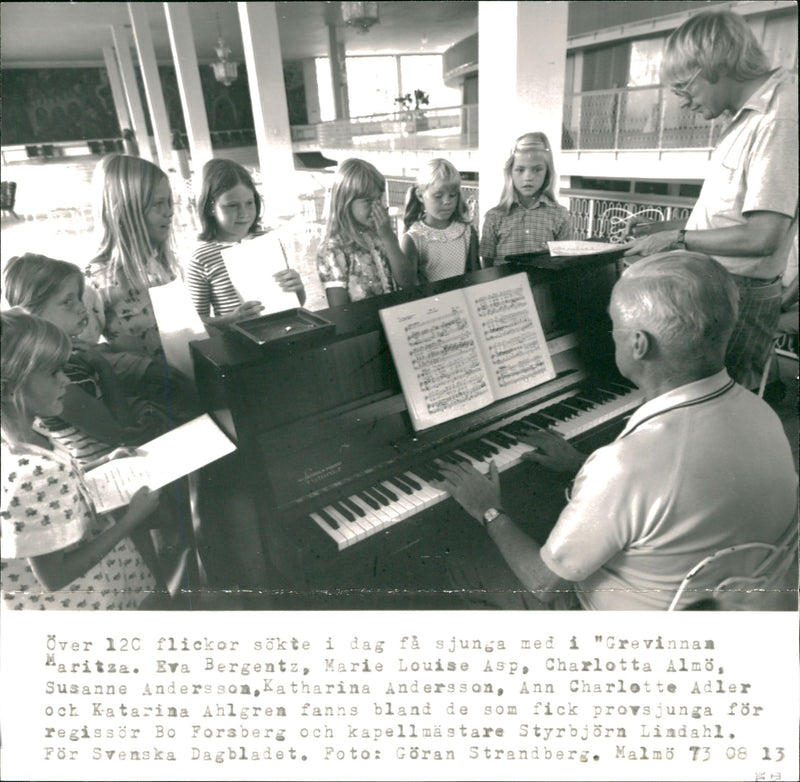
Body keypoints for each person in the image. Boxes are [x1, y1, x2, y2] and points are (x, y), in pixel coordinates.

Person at [433, 252, 798, 610]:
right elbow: (677, 491)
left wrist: (489, 509)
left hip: (628, 627)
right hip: (726, 602)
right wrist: (580, 465)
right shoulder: (762, 413)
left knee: (460, 561)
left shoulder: (626, 464)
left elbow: (543, 582)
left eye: (612, 325)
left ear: (639, 344)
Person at [623, 10, 798, 390]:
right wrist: (668, 229)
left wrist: (677, 240)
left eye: (685, 87)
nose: (684, 103)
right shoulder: (745, 118)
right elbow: (729, 216)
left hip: (742, 298)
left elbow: (761, 237)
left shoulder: (778, 117)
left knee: (720, 417)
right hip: (722, 288)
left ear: (714, 64)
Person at [0, 310, 163, 611]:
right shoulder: (29, 472)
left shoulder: (25, 434)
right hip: (81, 600)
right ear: (11, 386)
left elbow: (47, 494)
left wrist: (98, 464)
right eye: (53, 373)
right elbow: (54, 576)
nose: (65, 381)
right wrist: (133, 518)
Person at [3, 254, 167, 465]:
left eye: (79, 297)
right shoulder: (56, 376)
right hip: (113, 472)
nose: (82, 308)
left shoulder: (70, 360)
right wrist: (103, 367)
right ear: (32, 312)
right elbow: (120, 431)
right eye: (67, 302)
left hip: (111, 460)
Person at [86, 153, 198, 415]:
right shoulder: (98, 280)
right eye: (158, 204)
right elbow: (83, 355)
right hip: (154, 403)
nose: (169, 212)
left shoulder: (160, 265)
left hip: (187, 387)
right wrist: (143, 368)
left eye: (170, 202)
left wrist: (229, 321)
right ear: (125, 210)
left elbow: (183, 329)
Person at [186, 158, 306, 328]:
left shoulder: (268, 241)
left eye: (249, 203)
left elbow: (297, 303)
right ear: (210, 207)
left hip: (284, 331)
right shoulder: (200, 257)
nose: (244, 213)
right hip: (238, 345)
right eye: (232, 205)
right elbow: (197, 322)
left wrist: (298, 287)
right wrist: (233, 318)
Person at [317, 158, 414, 306]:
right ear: (345, 202)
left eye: (379, 199)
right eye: (368, 201)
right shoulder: (332, 249)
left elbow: (408, 282)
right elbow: (339, 310)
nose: (377, 207)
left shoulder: (380, 235)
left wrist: (389, 237)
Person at [479, 132, 572, 266]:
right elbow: (486, 264)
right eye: (520, 170)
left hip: (543, 285)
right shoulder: (494, 216)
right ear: (510, 172)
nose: (528, 177)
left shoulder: (560, 215)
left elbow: (564, 262)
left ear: (547, 172)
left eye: (537, 170)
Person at [400, 158, 478, 283]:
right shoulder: (414, 239)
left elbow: (475, 277)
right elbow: (410, 286)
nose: (447, 201)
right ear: (420, 196)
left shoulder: (467, 233)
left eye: (452, 195)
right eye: (438, 196)